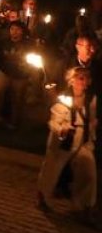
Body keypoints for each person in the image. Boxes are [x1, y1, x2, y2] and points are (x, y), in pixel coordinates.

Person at [36, 67, 97, 224]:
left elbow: (91, 118)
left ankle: (84, 208)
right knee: (52, 170)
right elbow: (54, 122)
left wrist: (92, 129)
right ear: (70, 80)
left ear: (88, 82)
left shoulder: (91, 99)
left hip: (82, 141)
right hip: (62, 142)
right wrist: (62, 129)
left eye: (84, 78)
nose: (80, 81)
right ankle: (43, 197)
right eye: (77, 77)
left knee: (88, 171)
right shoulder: (62, 98)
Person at [0, 21, 37, 130]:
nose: (14, 32)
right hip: (5, 72)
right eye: (12, 29)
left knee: (17, 99)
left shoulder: (28, 45)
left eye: (17, 29)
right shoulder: (4, 42)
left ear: (22, 31)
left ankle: (14, 122)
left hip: (20, 76)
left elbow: (32, 60)